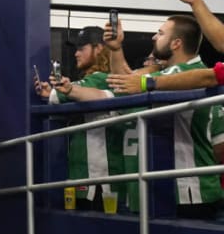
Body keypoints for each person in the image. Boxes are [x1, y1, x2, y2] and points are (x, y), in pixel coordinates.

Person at [105, 15, 224, 219]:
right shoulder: (178, 73)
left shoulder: (184, 73)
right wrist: (116, 49)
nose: (153, 37)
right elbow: (127, 85)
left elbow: (131, 86)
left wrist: (122, 58)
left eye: (160, 33)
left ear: (176, 43)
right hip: (196, 189)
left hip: (187, 191)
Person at [35, 27, 125, 210]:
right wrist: (51, 93)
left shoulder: (104, 79)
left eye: (81, 48)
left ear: (98, 48)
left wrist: (59, 92)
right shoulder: (88, 81)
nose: (76, 54)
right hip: (84, 176)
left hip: (100, 180)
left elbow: (64, 94)